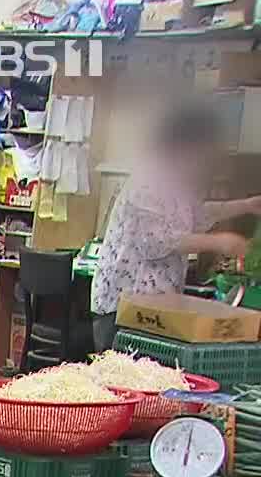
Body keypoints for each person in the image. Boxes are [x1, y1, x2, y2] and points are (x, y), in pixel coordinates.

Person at [89, 99, 261, 353]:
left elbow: (197, 214)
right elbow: (155, 242)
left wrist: (245, 205)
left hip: (154, 308)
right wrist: (220, 242)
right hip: (124, 309)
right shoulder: (151, 177)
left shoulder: (178, 181)